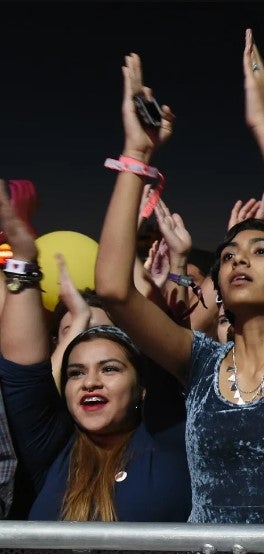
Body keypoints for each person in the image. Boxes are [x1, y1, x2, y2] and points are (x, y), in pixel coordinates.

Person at [94, 31, 264, 524]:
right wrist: (136, 154)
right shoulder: (197, 363)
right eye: (230, 253)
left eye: (261, 251)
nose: (239, 259)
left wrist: (262, 121)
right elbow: (111, 289)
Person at [0, 180, 189, 521]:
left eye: (110, 368)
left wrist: (135, 157)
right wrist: (24, 259)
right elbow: (21, 371)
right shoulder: (51, 448)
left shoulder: (169, 437)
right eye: (76, 372)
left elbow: (164, 342)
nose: (90, 382)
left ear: (143, 387)